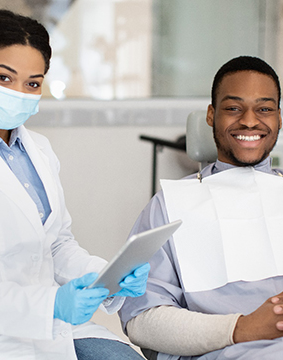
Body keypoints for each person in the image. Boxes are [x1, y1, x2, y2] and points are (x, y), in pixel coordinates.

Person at [0, 9, 150, 360]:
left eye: (32, 83)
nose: (20, 93)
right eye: (3, 77)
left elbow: (57, 244)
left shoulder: (38, 150)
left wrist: (104, 275)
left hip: (54, 332)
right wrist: (51, 305)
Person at [118, 55, 283, 360]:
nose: (249, 120)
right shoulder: (169, 206)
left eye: (264, 109)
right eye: (233, 108)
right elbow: (141, 320)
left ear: (279, 118)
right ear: (211, 115)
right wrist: (241, 328)